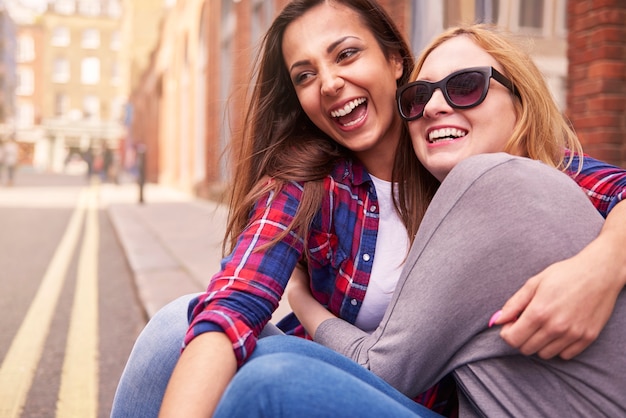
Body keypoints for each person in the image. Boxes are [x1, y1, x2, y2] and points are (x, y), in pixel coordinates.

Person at [111, 3, 626, 416]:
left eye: (347, 54)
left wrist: (601, 267)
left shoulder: (490, 162)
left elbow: (608, 186)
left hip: (417, 393)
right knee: (177, 327)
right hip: (365, 380)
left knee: (266, 379)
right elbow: (234, 302)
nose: (329, 82)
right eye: (305, 75)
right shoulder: (312, 183)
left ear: (393, 61)